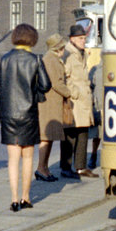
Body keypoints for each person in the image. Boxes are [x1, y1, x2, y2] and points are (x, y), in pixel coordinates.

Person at [0, 24, 51, 211]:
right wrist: (33, 92)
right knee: (28, 157)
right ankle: (26, 198)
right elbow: (46, 85)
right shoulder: (35, 60)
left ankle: (13, 198)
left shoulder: (4, 60)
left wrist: (1, 114)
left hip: (9, 114)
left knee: (13, 159)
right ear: (33, 39)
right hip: (28, 114)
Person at [62, 23, 98, 178]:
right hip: (74, 101)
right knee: (70, 134)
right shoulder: (68, 54)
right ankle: (66, 167)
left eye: (84, 38)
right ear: (72, 39)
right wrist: (74, 93)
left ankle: (81, 167)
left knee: (83, 133)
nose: (84, 41)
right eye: (81, 38)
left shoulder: (81, 53)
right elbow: (65, 77)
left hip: (83, 100)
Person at [36, 33, 70, 182]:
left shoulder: (52, 58)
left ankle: (44, 167)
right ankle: (41, 168)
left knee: (49, 138)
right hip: (49, 104)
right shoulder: (51, 59)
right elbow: (56, 83)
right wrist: (70, 93)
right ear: (59, 47)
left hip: (51, 103)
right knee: (46, 138)